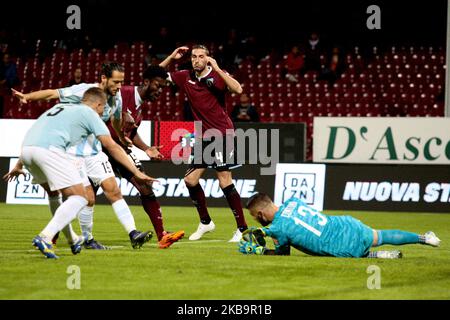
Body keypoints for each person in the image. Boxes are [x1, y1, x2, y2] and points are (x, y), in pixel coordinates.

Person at [11, 62, 152, 250]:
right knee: (87, 198)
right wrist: (27, 97)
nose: (119, 87)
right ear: (104, 78)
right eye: (116, 82)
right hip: (71, 152)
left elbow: (115, 120)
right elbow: (53, 93)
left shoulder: (116, 99)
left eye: (121, 82)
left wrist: (121, 136)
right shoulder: (83, 92)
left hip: (94, 151)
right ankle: (86, 238)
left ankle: (133, 233)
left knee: (113, 190)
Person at [160, 45, 248, 242]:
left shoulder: (218, 75)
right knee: (190, 180)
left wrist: (217, 69)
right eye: (193, 57)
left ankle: (242, 228)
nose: (196, 60)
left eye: (201, 56)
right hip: (203, 137)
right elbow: (155, 74)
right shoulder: (185, 77)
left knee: (224, 179)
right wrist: (172, 57)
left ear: (208, 59)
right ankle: (206, 222)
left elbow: (238, 88)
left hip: (222, 133)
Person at [104, 65, 185, 248]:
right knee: (83, 194)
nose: (160, 91)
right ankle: (53, 237)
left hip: (119, 150)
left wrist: (147, 149)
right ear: (147, 82)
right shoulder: (122, 93)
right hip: (99, 148)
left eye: (164, 87)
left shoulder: (140, 108)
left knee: (145, 186)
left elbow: (130, 134)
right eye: (158, 85)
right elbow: (98, 106)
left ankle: (162, 235)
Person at [240, 193, 441, 258]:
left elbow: (283, 253)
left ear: (260, 214)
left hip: (339, 248)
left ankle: (379, 255)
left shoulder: (276, 228)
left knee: (351, 253)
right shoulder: (293, 201)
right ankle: (425, 238)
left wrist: (262, 251)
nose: (256, 219)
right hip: (347, 224)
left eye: (254, 216)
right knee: (381, 236)